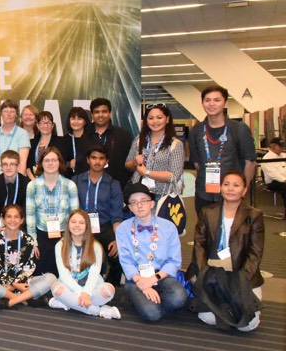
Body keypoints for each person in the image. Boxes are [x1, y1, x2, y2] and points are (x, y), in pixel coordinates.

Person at [189, 171, 264, 331]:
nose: (230, 189)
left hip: (241, 273)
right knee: (207, 317)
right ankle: (227, 311)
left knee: (247, 326)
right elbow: (199, 246)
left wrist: (240, 280)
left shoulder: (254, 215)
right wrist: (204, 274)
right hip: (213, 271)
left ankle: (230, 311)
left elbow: (255, 253)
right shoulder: (207, 212)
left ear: (244, 190)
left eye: (236, 185)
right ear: (220, 188)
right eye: (226, 184)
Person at [116, 183, 187, 322]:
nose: (139, 206)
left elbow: (174, 261)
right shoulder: (123, 229)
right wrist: (142, 283)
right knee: (152, 314)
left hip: (161, 275)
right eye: (134, 203)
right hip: (136, 278)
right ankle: (140, 299)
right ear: (130, 208)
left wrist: (152, 280)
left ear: (152, 204)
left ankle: (145, 300)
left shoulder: (168, 227)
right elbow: (126, 261)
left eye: (144, 201)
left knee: (179, 297)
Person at [188, 86, 256, 215]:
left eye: (217, 100)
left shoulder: (239, 129)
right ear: (202, 103)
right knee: (205, 230)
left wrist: (243, 188)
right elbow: (197, 163)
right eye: (207, 100)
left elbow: (250, 162)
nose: (212, 104)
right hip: (204, 192)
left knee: (232, 231)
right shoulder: (196, 131)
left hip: (231, 192)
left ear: (225, 103)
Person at [0, 204, 55, 309]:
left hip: (23, 283)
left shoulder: (28, 240)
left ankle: (9, 301)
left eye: (16, 216)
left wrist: (16, 284)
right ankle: (25, 298)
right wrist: (12, 284)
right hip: (2, 283)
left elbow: (29, 267)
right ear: (3, 219)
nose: (12, 220)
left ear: (22, 220)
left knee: (51, 278)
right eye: (9, 216)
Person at [49, 209, 121, 319]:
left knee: (109, 290)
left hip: (91, 288)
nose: (77, 225)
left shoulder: (95, 246)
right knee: (56, 288)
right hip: (69, 287)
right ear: (68, 224)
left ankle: (69, 302)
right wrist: (80, 293)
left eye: (81, 223)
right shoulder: (60, 245)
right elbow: (63, 275)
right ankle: (99, 311)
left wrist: (86, 293)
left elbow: (94, 274)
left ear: (87, 226)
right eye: (73, 222)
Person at [74, 145, 124, 286]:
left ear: (106, 161)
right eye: (94, 158)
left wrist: (119, 239)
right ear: (88, 160)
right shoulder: (76, 181)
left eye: (101, 158)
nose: (97, 162)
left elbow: (116, 216)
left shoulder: (113, 184)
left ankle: (112, 287)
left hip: (104, 227)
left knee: (117, 251)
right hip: (81, 227)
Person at [26, 147, 79, 277]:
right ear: (41, 164)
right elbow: (30, 216)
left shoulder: (70, 185)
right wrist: (33, 243)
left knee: (63, 274)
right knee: (41, 275)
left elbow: (74, 216)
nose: (50, 163)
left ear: (59, 163)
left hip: (63, 235)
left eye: (54, 160)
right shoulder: (32, 186)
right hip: (41, 236)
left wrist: (72, 241)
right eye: (46, 160)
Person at [125, 104, 185, 200]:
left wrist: (147, 172)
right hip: (138, 194)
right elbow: (127, 165)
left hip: (163, 196)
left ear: (167, 119)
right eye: (151, 118)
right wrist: (135, 163)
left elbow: (174, 176)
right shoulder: (139, 140)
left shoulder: (175, 144)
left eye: (159, 117)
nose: (155, 121)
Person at [84, 98, 133, 187]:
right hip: (88, 187)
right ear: (92, 114)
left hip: (116, 187)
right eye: (96, 112)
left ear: (110, 113)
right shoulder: (83, 135)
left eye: (104, 111)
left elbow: (128, 164)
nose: (100, 115)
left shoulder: (123, 135)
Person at [0, 99, 30, 181]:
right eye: (5, 111)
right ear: (1, 114)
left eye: (12, 111)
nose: (9, 114)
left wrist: (18, 183)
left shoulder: (22, 134)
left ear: (16, 115)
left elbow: (22, 162)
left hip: (13, 179)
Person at [0, 150, 30, 232]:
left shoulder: (27, 184)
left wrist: (16, 229)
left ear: (18, 166)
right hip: (0, 227)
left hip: (20, 228)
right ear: (1, 166)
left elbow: (25, 211)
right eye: (5, 164)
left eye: (12, 164)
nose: (8, 168)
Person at [26, 111, 69, 179]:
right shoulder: (31, 143)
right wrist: (34, 181)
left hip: (55, 180)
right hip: (34, 181)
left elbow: (63, 164)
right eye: (42, 123)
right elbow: (27, 166)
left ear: (52, 126)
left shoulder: (62, 142)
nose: (45, 126)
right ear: (38, 125)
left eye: (48, 123)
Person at [66, 106, 93, 176]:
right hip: (69, 180)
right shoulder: (64, 140)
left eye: (79, 119)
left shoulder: (92, 139)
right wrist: (69, 164)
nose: (76, 122)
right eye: (73, 118)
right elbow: (60, 161)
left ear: (85, 122)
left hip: (88, 179)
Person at [261, 137, 286, 211]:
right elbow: (273, 174)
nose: (282, 148)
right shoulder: (267, 158)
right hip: (274, 182)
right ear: (273, 146)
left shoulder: (283, 155)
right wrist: (284, 180)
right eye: (280, 146)